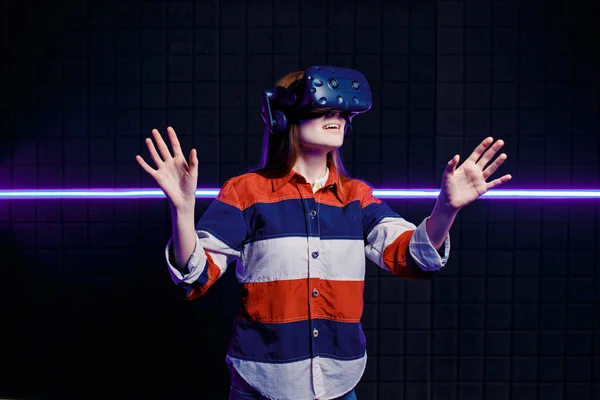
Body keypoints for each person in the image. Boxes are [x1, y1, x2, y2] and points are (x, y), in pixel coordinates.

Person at [135, 69, 511, 400]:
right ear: (282, 117)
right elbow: (196, 273)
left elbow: (412, 256)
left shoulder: (357, 198)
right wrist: (182, 211)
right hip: (262, 386)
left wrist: (446, 208)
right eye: (324, 109)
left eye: (342, 113)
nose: (337, 118)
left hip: (337, 385)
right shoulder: (245, 192)